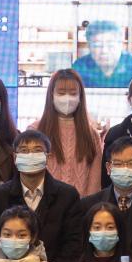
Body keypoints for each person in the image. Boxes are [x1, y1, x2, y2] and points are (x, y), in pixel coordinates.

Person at [0, 130, 82, 262]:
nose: (30, 155)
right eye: (24, 151)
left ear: (48, 157)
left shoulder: (67, 195)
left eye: (37, 150)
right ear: (15, 157)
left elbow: (73, 243)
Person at [28, 69, 103, 197]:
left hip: (80, 207)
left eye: (73, 93)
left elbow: (94, 184)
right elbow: (29, 175)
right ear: (51, 95)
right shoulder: (35, 131)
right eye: (61, 93)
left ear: (80, 97)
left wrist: (86, 207)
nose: (67, 98)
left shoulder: (91, 134)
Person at [71, 21, 132, 88]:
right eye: (97, 45)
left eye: (110, 45)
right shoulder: (80, 66)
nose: (104, 51)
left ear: (121, 45)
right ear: (89, 46)